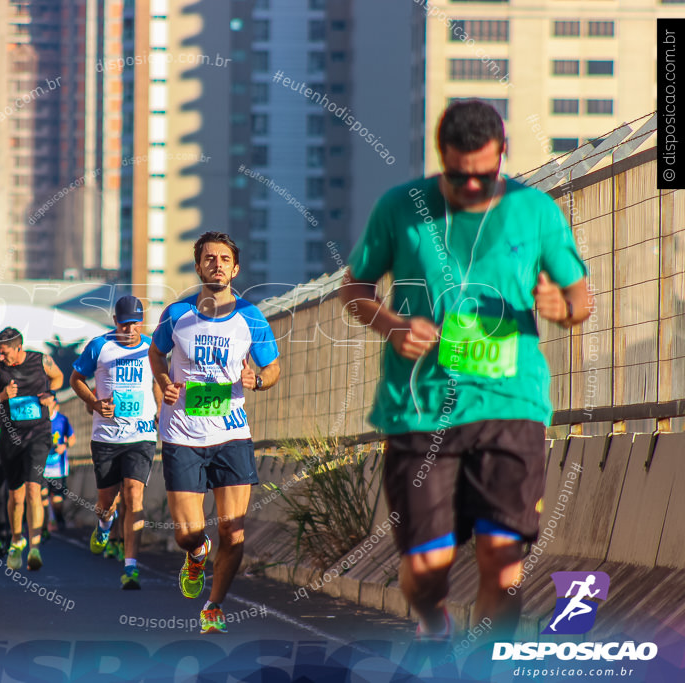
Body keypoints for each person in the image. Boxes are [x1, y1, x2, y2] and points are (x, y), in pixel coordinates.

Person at [337, 100, 592, 640]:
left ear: (503, 155)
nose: (473, 188)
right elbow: (354, 289)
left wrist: (560, 306)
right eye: (459, 176)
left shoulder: (536, 211)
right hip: (421, 407)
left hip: (510, 403)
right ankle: (435, 627)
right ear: (441, 158)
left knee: (503, 563)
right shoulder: (400, 209)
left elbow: (579, 298)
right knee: (425, 572)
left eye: (484, 175)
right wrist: (392, 325)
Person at [148, 232, 281, 633]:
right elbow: (156, 352)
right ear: (199, 266)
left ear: (235, 269)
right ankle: (197, 553)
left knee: (233, 530)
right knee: (188, 534)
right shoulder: (176, 314)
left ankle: (214, 606)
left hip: (231, 434)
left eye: (225, 259)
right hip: (183, 434)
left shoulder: (250, 317)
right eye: (210, 258)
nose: (218, 264)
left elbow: (273, 369)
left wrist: (256, 380)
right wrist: (162, 380)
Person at [71, 295, 161, 590]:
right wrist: (95, 403)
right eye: (125, 323)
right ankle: (104, 525)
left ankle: (131, 567)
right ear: (115, 322)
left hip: (142, 435)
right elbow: (75, 379)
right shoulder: (100, 346)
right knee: (106, 502)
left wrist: (161, 412)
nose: (131, 329)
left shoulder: (151, 347)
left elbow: (158, 382)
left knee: (134, 495)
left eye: (136, 323)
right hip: (107, 438)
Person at [0, 327, 63, 572]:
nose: (2, 357)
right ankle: (17, 540)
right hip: (11, 437)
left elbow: (58, 377)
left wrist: (51, 394)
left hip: (38, 434)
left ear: (19, 347)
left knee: (34, 490)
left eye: (5, 353)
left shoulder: (41, 361)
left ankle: (34, 546)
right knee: (15, 495)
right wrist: (3, 395)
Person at [41, 390, 74, 537]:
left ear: (54, 402)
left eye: (48, 398)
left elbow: (72, 438)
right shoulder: (38, 420)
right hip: (41, 468)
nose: (46, 401)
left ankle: (58, 517)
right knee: (42, 497)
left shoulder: (62, 420)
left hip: (58, 468)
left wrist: (64, 446)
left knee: (57, 500)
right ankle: (46, 525)